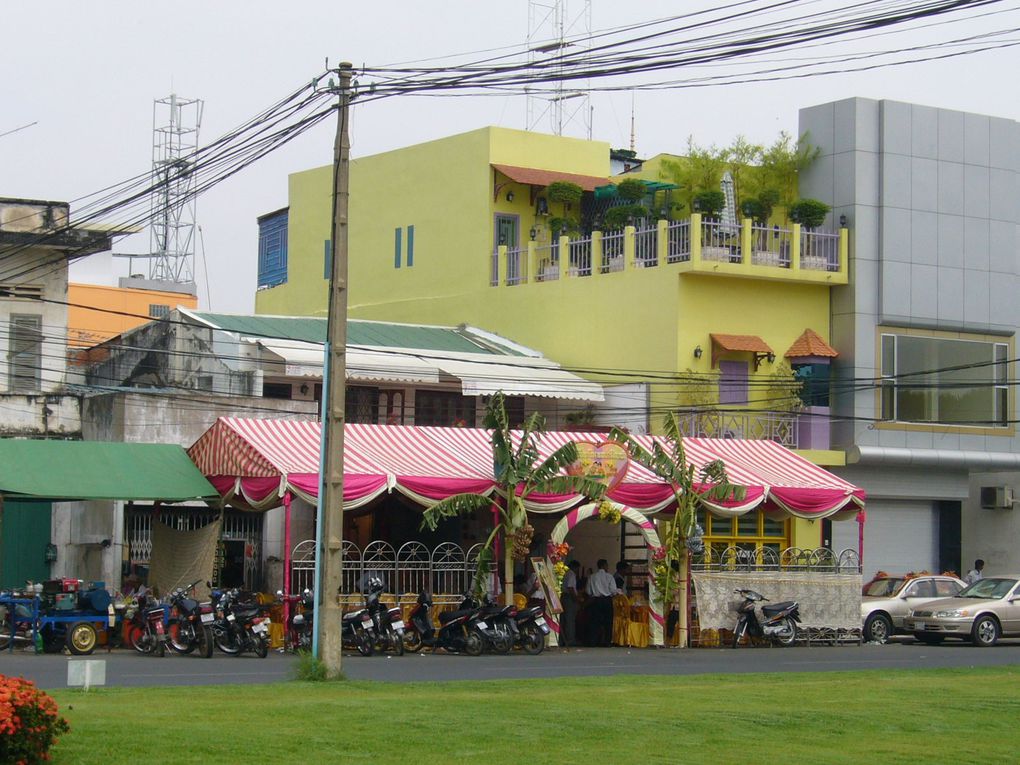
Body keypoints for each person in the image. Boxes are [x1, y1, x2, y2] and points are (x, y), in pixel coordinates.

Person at [585, 558, 621, 647]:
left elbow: (588, 591)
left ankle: (593, 641)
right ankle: (607, 642)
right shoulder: (609, 576)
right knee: (608, 622)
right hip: (606, 600)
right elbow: (612, 590)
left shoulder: (592, 577)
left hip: (595, 600)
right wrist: (617, 592)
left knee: (594, 622)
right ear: (604, 566)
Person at [560, 560, 581, 648]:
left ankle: (562, 639)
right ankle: (570, 640)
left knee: (564, 619)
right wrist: (576, 599)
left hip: (563, 596)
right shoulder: (571, 574)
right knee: (570, 619)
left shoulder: (565, 573)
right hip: (569, 597)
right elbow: (570, 588)